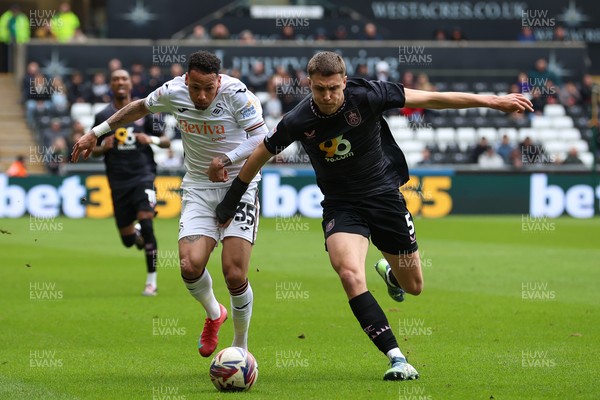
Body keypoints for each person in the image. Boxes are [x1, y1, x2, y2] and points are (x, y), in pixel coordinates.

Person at [211, 51, 533, 381]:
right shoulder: (298, 120)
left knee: (414, 285)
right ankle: (397, 357)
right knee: (350, 274)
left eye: (334, 88)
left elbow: (434, 98)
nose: (327, 96)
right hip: (341, 206)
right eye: (320, 89)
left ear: (344, 82)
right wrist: (231, 200)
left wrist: (494, 102)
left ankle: (391, 274)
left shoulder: (368, 95)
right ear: (310, 85)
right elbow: (261, 153)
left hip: (384, 199)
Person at [71, 51, 269, 358]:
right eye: (195, 88)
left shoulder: (238, 94)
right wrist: (94, 134)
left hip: (239, 185)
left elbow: (262, 138)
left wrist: (226, 159)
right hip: (199, 188)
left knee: (234, 273)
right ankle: (215, 313)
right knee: (189, 266)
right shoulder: (173, 90)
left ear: (219, 81)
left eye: (209, 88)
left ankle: (240, 346)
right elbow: (138, 107)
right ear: (187, 79)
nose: (202, 96)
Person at [90, 69, 170, 295]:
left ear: (130, 83)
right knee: (128, 241)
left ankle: (151, 282)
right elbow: (91, 149)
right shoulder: (102, 116)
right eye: (115, 79)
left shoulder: (144, 111)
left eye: (124, 78)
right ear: (111, 85)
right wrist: (101, 147)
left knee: (147, 223)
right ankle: (134, 232)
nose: (120, 82)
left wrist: (151, 139)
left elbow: (166, 142)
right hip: (118, 181)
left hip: (143, 175)